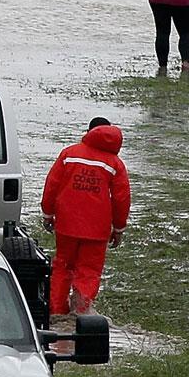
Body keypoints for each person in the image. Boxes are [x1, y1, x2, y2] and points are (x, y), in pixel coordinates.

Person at [40, 119, 130, 319]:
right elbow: (121, 198)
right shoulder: (115, 164)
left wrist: (48, 213)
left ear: (89, 132)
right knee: (88, 271)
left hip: (66, 224)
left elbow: (52, 184)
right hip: (97, 229)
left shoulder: (69, 154)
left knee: (62, 266)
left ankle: (56, 313)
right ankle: (80, 313)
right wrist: (119, 228)